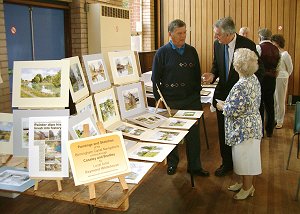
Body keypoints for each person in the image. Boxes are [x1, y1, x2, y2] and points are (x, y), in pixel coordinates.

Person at [202, 17, 264, 177]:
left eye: (218, 35)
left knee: (239, 136)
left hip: (240, 97)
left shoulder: (248, 45)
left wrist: (248, 92)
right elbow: (217, 64)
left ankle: (240, 166)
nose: (215, 37)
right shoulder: (217, 44)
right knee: (224, 132)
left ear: (229, 34)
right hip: (223, 94)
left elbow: (258, 70)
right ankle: (227, 163)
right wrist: (212, 74)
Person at [151, 19, 209, 177]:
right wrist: (159, 101)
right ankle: (172, 163)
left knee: (193, 136)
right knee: (171, 135)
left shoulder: (191, 51)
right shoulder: (161, 53)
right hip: (171, 101)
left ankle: (195, 166)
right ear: (170, 34)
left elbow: (197, 75)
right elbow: (155, 80)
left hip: (191, 100)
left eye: (184, 33)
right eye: (179, 33)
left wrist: (197, 98)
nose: (183, 36)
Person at [216, 48, 262, 200]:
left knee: (245, 159)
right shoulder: (252, 78)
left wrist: (222, 106)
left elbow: (234, 110)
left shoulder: (241, 84)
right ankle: (243, 184)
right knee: (242, 158)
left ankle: (248, 187)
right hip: (251, 125)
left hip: (244, 129)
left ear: (237, 66)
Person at [256, 28, 280, 137]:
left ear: (260, 36)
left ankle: (260, 131)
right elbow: (278, 66)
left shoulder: (258, 48)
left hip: (260, 79)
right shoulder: (277, 49)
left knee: (259, 105)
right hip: (272, 79)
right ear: (270, 37)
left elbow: (255, 64)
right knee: (270, 104)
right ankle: (269, 130)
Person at [271, 34, 293, 129]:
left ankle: (280, 120)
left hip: (281, 78)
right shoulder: (275, 53)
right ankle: (275, 118)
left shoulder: (285, 54)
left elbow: (290, 68)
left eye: (273, 42)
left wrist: (284, 75)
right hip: (274, 78)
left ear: (278, 43)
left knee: (280, 99)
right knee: (274, 99)